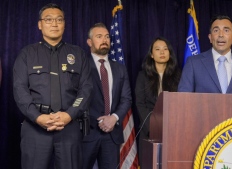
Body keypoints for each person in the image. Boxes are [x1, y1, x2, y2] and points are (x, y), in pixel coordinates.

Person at [13, 3, 93, 169]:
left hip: (69, 128)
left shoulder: (78, 54)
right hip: (35, 128)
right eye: (48, 20)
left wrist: (70, 114)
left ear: (64, 24)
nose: (54, 24)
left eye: (59, 20)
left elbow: (86, 90)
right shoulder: (27, 54)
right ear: (40, 24)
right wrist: (37, 117)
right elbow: (20, 91)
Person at [82, 23, 132, 169]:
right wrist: (97, 120)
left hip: (111, 135)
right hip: (86, 133)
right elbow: (75, 98)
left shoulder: (120, 69)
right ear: (89, 42)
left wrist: (114, 118)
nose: (104, 40)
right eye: (99, 37)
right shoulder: (81, 66)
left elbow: (126, 98)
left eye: (107, 37)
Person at [178, 15, 232, 94]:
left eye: (226, 30)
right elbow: (183, 97)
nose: (221, 35)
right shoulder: (194, 63)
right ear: (210, 38)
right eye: (216, 30)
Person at [135, 37, 181, 167]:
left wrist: (171, 126)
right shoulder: (142, 76)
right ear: (151, 54)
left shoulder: (178, 75)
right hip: (148, 132)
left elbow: (180, 103)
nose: (162, 52)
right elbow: (140, 104)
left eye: (165, 49)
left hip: (173, 130)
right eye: (158, 49)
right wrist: (153, 127)